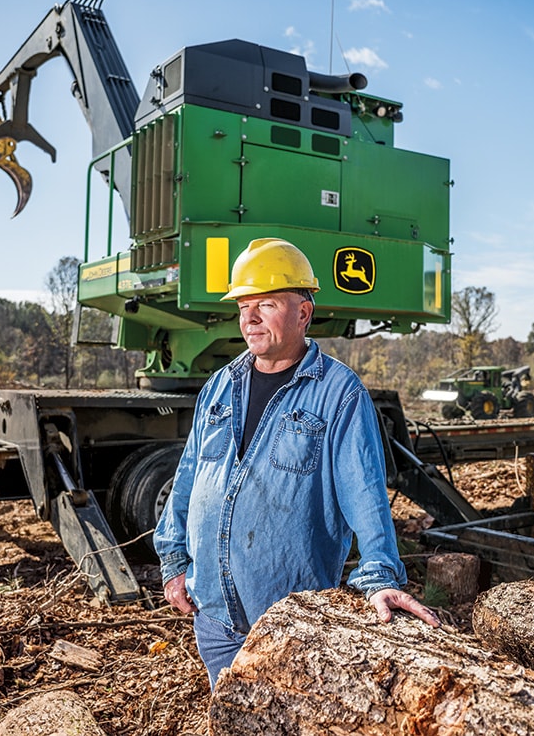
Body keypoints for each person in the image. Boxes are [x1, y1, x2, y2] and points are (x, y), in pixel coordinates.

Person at [154, 237, 440, 688]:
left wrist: (380, 575)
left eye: (265, 304)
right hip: (214, 618)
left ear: (303, 313)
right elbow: (189, 476)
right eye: (243, 305)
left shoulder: (339, 394)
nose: (249, 318)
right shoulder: (218, 386)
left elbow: (366, 498)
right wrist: (173, 563)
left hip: (293, 626)